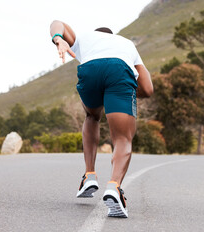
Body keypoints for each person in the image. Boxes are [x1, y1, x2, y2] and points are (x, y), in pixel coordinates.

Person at [50, 20, 153, 218]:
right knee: (123, 138)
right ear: (112, 35)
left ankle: (89, 175)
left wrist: (58, 40)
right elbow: (148, 89)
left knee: (91, 116)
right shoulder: (127, 44)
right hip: (119, 71)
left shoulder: (85, 37)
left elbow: (57, 23)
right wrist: (124, 92)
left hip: (90, 70)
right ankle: (114, 187)